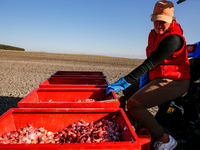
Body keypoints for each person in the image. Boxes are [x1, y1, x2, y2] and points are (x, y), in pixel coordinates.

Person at [106, 0, 190, 150]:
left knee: (134, 104)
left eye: (163, 22)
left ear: (171, 20)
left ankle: (165, 140)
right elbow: (152, 63)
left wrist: (125, 79)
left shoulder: (173, 39)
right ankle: (133, 124)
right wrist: (133, 82)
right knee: (129, 90)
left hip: (175, 80)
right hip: (158, 76)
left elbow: (149, 63)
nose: (158, 25)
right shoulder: (154, 35)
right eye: (156, 21)